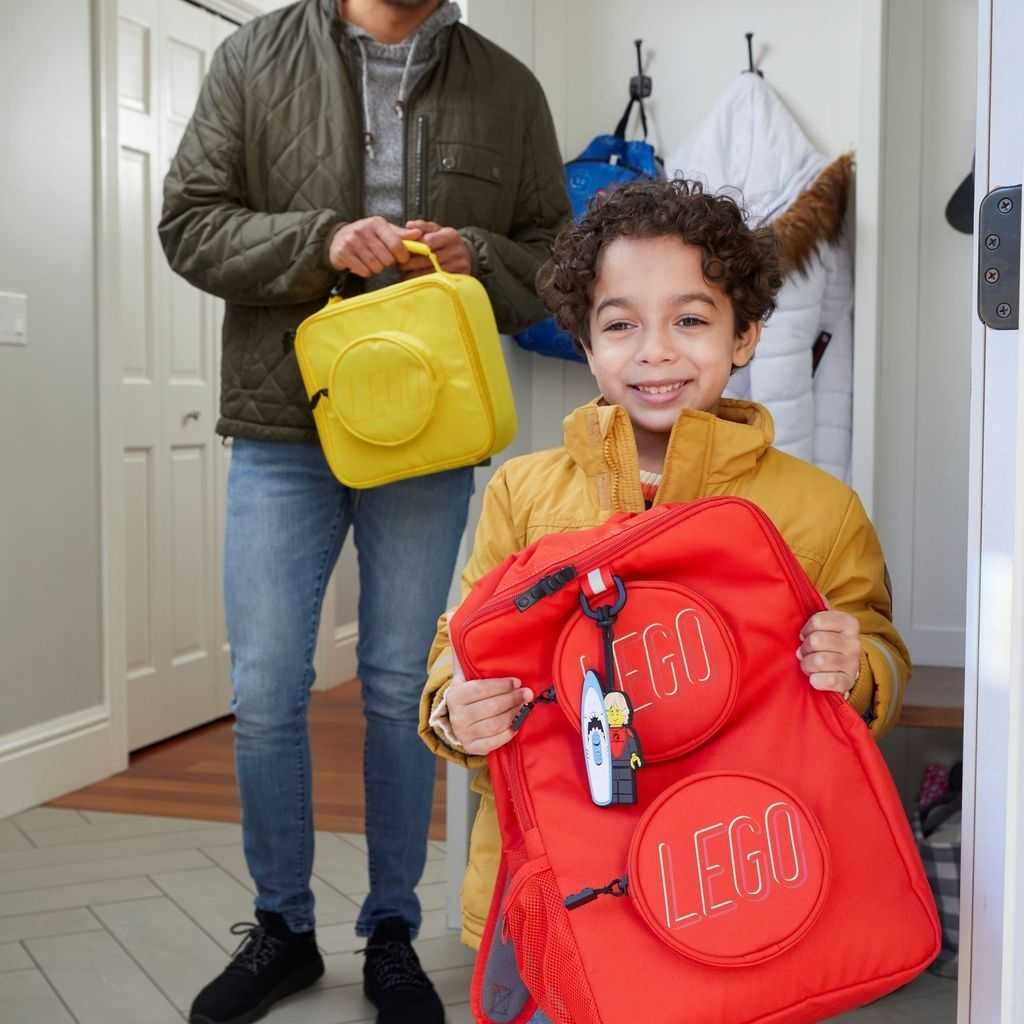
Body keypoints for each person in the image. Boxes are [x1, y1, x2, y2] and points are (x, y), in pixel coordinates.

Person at [159, 0, 570, 1021]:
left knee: (400, 684)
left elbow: (556, 258)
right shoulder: (251, 57)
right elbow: (189, 223)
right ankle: (281, 927)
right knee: (263, 686)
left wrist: (478, 252)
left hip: (430, 428)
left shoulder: (508, 87)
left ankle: (390, 928)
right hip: (282, 420)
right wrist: (321, 242)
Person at [417, 178, 911, 1022]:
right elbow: (459, 648)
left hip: (738, 874)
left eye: (690, 319)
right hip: (564, 882)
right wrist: (453, 711)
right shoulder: (524, 494)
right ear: (583, 341)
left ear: (745, 334)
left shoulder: (821, 510)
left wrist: (858, 666)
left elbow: (876, 653)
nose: (655, 352)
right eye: (620, 324)